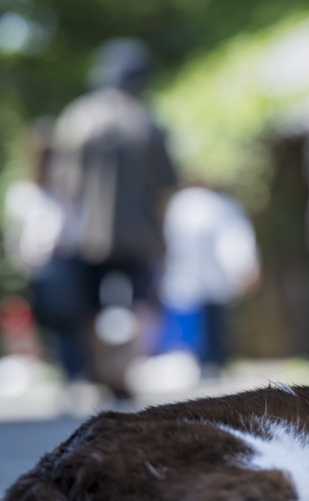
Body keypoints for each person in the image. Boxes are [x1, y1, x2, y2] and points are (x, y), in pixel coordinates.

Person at [49, 37, 179, 396]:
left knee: (90, 304)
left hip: (86, 235)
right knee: (141, 302)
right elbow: (164, 191)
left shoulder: (76, 118)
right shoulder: (148, 122)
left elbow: (64, 189)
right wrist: (163, 241)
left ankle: (104, 368)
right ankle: (125, 370)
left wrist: (59, 233)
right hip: (141, 234)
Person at [158, 185, 260, 376]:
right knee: (212, 351)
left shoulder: (179, 204)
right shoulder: (223, 207)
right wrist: (243, 269)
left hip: (182, 289)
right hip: (211, 289)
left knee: (185, 352)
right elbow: (233, 243)